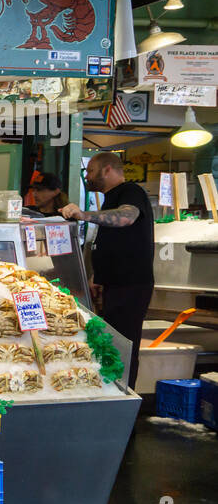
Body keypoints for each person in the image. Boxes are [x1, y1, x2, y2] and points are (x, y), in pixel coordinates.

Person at [60, 151, 154, 387]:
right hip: (113, 285)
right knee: (111, 345)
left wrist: (83, 215)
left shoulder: (131, 191)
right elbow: (114, 241)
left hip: (131, 285)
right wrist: (96, 276)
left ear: (108, 170)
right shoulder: (110, 197)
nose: (88, 176)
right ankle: (113, 392)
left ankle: (124, 399)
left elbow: (126, 218)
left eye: (91, 171)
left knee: (124, 346)